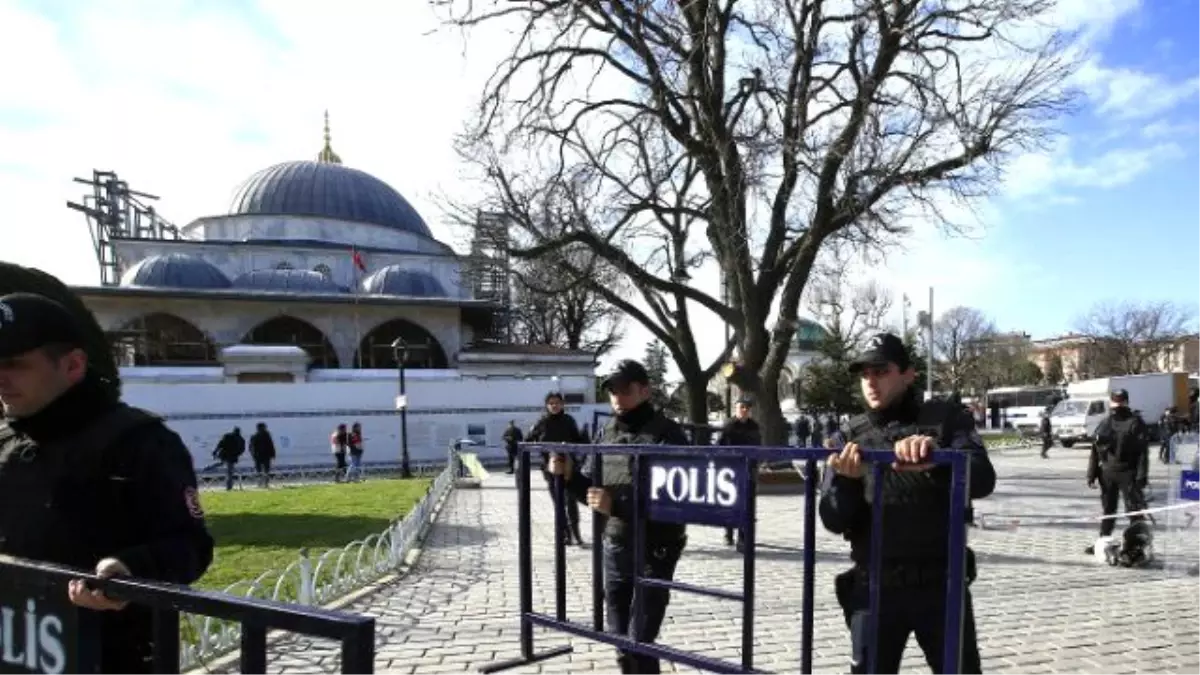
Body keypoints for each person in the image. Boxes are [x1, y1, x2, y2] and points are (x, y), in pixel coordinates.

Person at [0, 291, 214, 674]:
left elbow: (190, 546)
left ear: (73, 365)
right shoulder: (6, 441)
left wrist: (130, 570)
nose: (1, 378)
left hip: (108, 656)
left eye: (14, 364)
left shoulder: (141, 442)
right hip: (17, 647)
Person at [819, 332, 995, 675]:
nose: (871, 382)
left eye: (881, 371)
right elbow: (832, 518)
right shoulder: (848, 437)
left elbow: (984, 477)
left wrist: (939, 459)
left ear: (908, 374)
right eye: (864, 374)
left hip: (941, 585)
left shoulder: (945, 420)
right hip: (874, 589)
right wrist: (847, 482)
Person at [547, 359, 690, 675]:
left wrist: (619, 506)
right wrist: (569, 476)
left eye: (625, 389)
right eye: (612, 390)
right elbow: (592, 488)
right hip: (615, 544)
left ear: (644, 390)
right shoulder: (605, 432)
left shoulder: (669, 435)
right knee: (621, 639)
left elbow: (679, 500)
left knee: (641, 638)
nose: (617, 397)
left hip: (657, 547)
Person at [1086, 388, 1150, 555]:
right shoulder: (1105, 422)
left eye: (1121, 401)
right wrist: (1091, 473)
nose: (1117, 404)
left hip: (1128, 472)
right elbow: (1095, 450)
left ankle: (1136, 545)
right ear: (1110, 402)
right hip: (1107, 473)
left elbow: (1143, 452)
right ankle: (1102, 541)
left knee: (1133, 510)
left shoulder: (1136, 422)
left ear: (1126, 402)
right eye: (1115, 401)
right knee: (1108, 509)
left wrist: (1142, 476)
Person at [528, 391, 587, 547]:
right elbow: (529, 440)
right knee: (559, 504)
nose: (554, 406)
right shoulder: (542, 422)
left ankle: (576, 534)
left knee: (571, 502)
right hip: (550, 470)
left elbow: (578, 441)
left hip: (569, 468)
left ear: (562, 405)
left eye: (557, 403)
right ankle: (565, 535)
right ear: (547, 406)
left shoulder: (569, 420)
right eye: (551, 403)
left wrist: (584, 436)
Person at [719, 396, 760, 550]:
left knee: (747, 504)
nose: (744, 410)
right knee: (731, 503)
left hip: (749, 469)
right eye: (741, 407)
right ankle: (729, 533)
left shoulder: (754, 426)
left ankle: (743, 538)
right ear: (736, 408)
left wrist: (757, 463)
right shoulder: (729, 425)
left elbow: (758, 445)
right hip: (732, 469)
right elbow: (721, 446)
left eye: (747, 408)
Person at [212, 426, 245, 491]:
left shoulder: (227, 436)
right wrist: (237, 454)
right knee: (229, 471)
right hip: (232, 457)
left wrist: (215, 451)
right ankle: (229, 486)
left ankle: (229, 486)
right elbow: (242, 449)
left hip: (224, 455)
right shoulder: (241, 439)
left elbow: (220, 444)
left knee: (227, 469)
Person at [249, 421, 276, 488]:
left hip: (257, 456)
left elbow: (251, 447)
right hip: (266, 456)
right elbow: (271, 445)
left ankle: (260, 483)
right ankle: (266, 483)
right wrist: (273, 454)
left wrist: (253, 455)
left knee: (259, 471)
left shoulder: (254, 436)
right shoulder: (267, 436)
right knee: (266, 470)